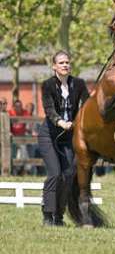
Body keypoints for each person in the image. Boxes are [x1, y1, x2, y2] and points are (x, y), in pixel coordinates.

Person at [38, 50, 89, 226]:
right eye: (61, 63)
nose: (65, 65)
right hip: (49, 135)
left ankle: (58, 216)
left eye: (67, 62)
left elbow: (87, 105)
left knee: (68, 175)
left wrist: (80, 120)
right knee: (55, 173)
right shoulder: (47, 85)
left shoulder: (79, 84)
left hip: (69, 137)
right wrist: (60, 122)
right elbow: (49, 109)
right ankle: (47, 214)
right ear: (54, 67)